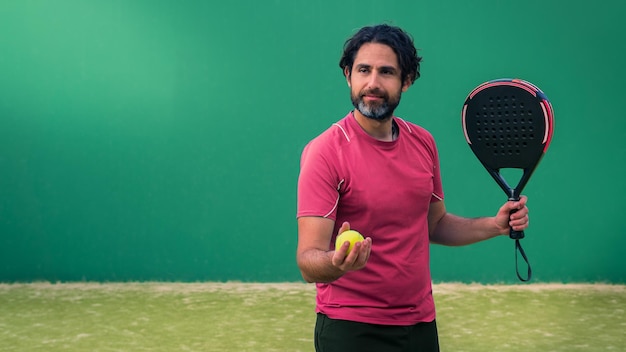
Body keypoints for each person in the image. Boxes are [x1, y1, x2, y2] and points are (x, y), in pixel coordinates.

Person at [295, 24, 530, 352]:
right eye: (364, 70)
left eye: (386, 72)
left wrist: (494, 225)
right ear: (348, 75)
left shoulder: (423, 143)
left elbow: (434, 224)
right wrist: (336, 262)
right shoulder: (325, 152)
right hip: (351, 329)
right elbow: (308, 260)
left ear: (406, 80)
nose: (373, 83)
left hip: (419, 326)